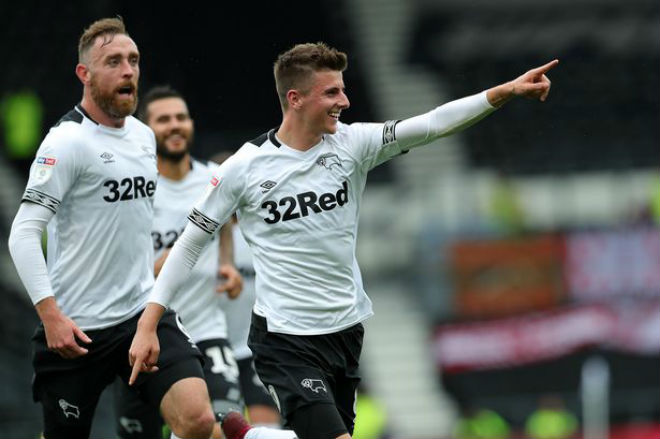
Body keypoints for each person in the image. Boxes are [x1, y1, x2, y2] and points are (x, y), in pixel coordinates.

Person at [129, 42, 558, 439]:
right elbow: (190, 244)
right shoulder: (244, 168)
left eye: (343, 90)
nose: (345, 101)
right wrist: (148, 324)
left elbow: (431, 124)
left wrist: (504, 92)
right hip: (284, 338)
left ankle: (252, 436)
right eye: (332, 92)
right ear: (295, 98)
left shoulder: (353, 144)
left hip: (345, 331)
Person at [7, 18, 216, 439]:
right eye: (114, 62)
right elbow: (23, 234)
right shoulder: (66, 142)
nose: (128, 71)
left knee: (197, 419)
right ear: (84, 74)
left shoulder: (143, 137)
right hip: (77, 328)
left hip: (140, 314)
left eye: (133, 60)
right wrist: (50, 316)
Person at [113, 86, 245, 439]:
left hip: (207, 329)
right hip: (149, 337)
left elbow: (226, 226)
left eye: (181, 117)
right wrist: (160, 266)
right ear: (146, 129)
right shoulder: (133, 188)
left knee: (224, 425)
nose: (175, 125)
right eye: (163, 120)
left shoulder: (215, 178)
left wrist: (228, 264)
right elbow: (114, 266)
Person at [211, 153, 283, 430]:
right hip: (213, 346)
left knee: (267, 426)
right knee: (220, 427)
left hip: (255, 348)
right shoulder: (202, 236)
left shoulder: (265, 233)